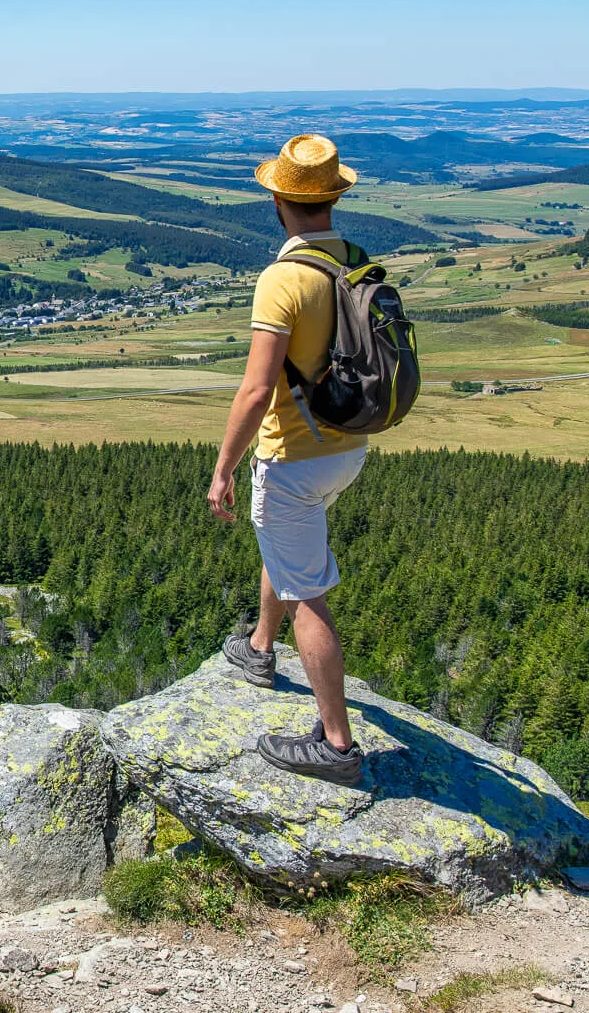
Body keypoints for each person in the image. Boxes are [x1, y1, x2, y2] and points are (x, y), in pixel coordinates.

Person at [207, 133, 368, 786]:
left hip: (293, 455)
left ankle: (336, 744)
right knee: (286, 547)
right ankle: (258, 649)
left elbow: (255, 388)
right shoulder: (352, 262)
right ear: (332, 196)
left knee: (310, 595)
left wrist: (222, 469)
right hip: (345, 447)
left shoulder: (283, 279)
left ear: (280, 199)